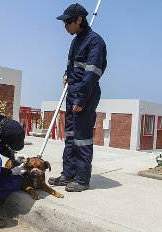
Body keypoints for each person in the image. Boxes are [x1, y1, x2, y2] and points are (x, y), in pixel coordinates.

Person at [48, 3, 107, 192]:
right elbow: (72, 64)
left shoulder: (95, 42)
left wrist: (81, 100)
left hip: (85, 94)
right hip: (72, 92)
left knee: (82, 137)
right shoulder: (76, 40)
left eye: (67, 22)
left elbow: (92, 73)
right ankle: (68, 174)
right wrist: (66, 74)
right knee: (71, 136)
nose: (64, 25)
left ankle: (82, 179)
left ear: (79, 20)